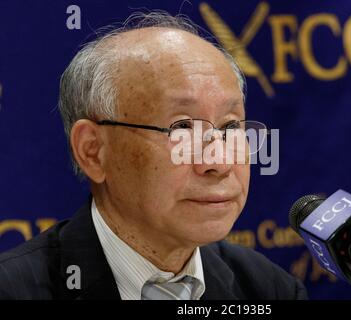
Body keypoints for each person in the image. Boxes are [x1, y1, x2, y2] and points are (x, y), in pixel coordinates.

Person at [0, 12, 307, 300]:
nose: (219, 163)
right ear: (93, 151)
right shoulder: (14, 290)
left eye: (229, 127)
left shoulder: (268, 289)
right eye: (182, 128)